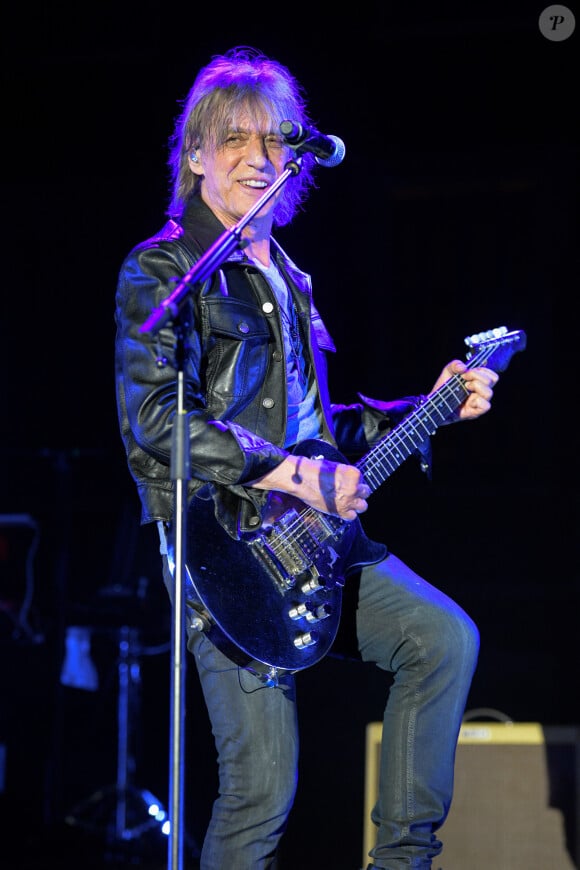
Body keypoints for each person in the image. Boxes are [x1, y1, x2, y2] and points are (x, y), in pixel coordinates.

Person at [114, 46, 499, 870]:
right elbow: (154, 420)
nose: (258, 159)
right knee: (261, 791)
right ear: (196, 157)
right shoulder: (165, 269)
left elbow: (321, 430)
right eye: (235, 141)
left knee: (442, 638)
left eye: (274, 141)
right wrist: (292, 475)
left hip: (315, 541)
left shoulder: (290, 277)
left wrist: (428, 409)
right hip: (230, 552)